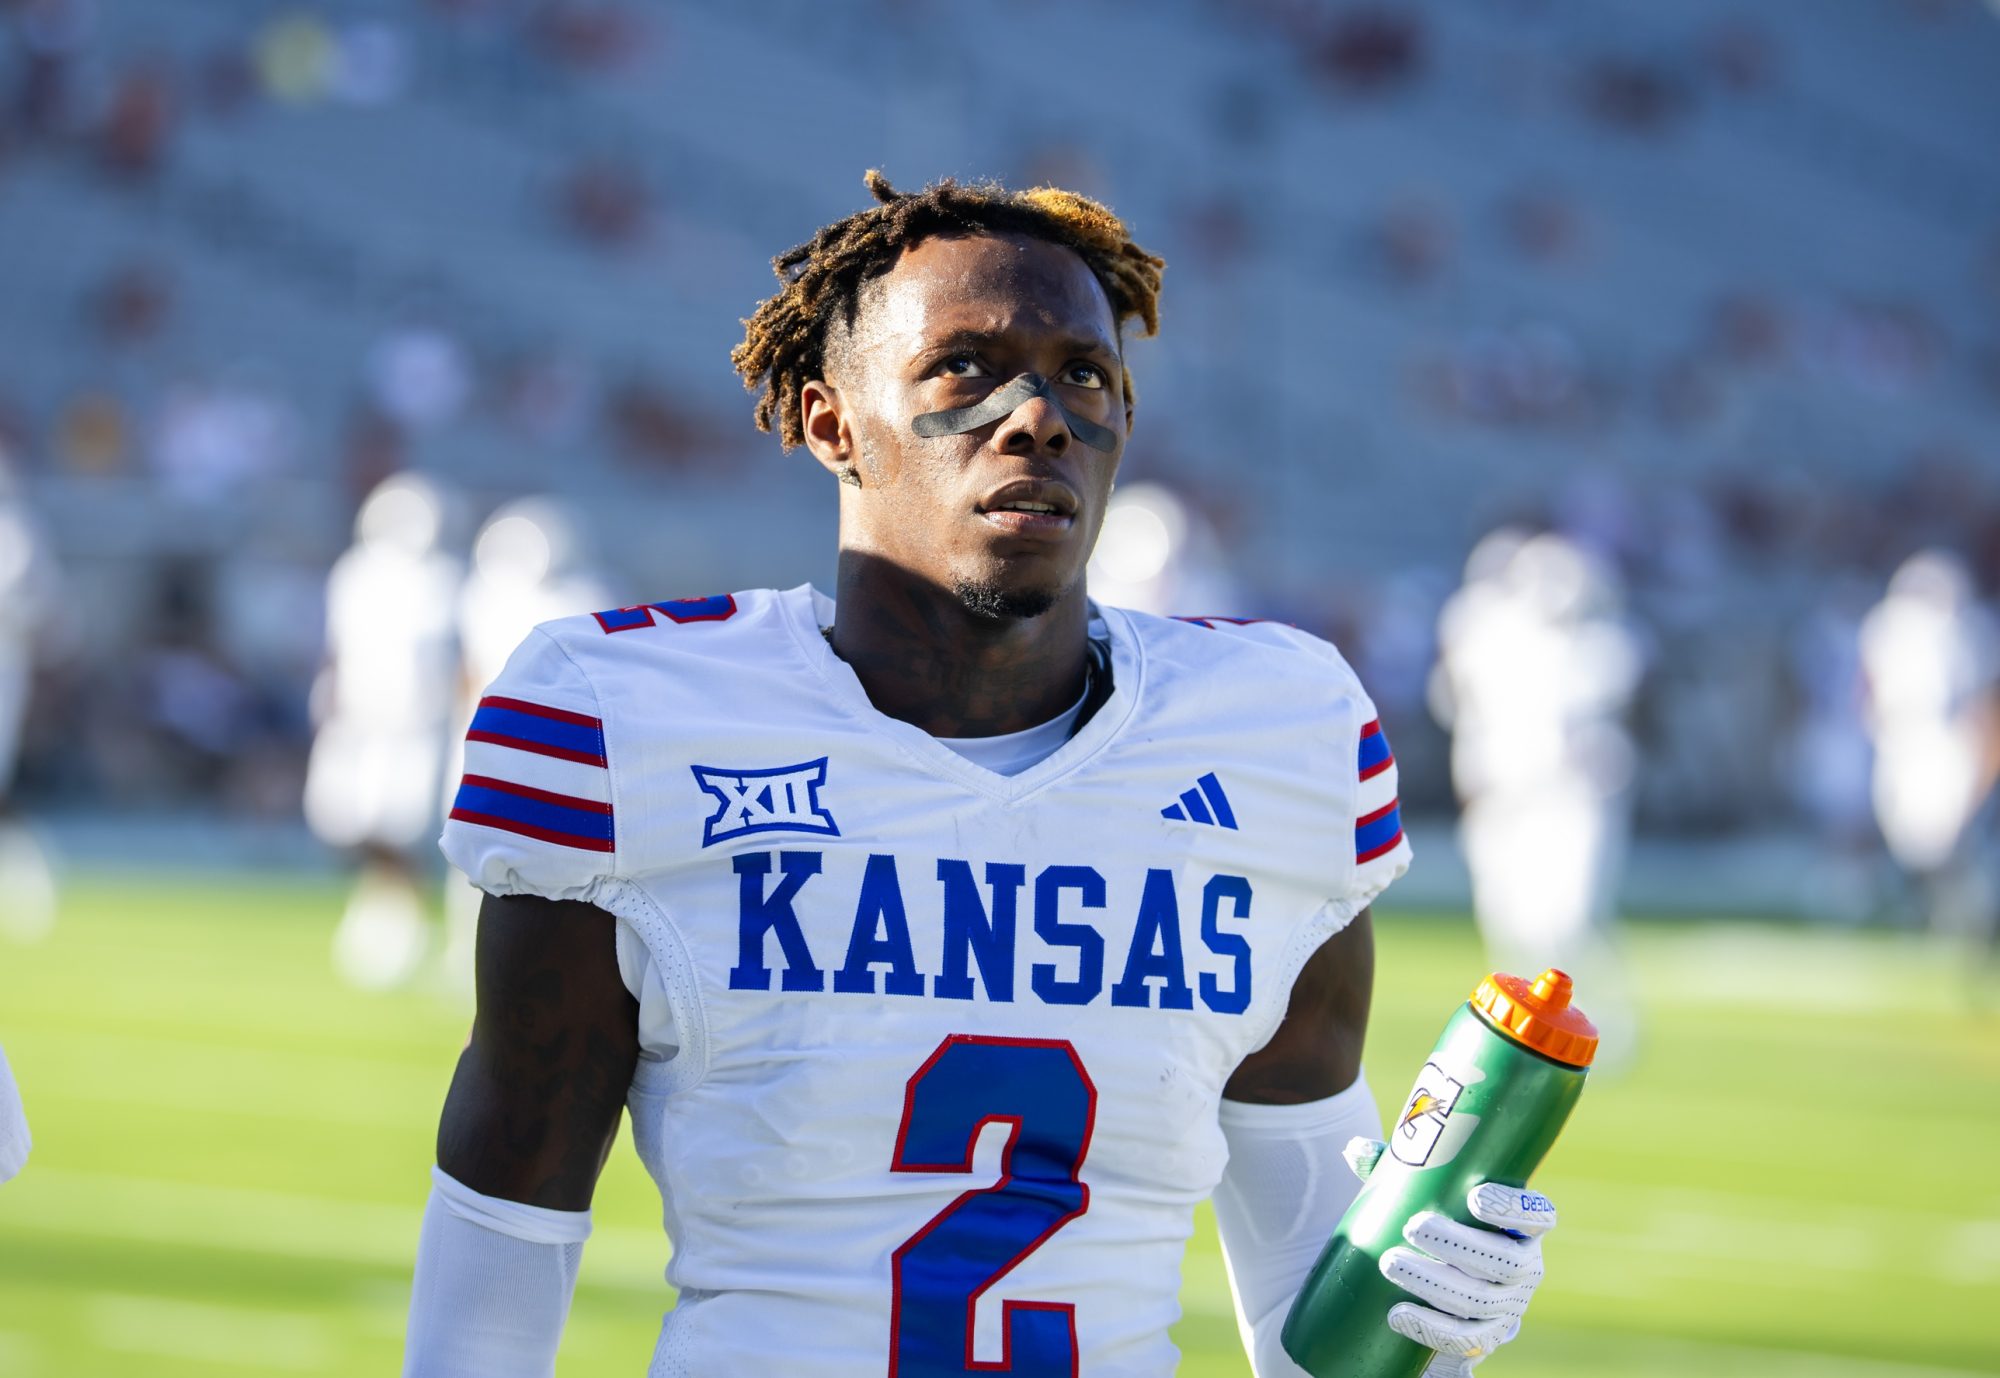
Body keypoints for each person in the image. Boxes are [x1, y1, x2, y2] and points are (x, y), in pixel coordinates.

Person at [404, 173, 1561, 1378]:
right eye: (964, 368)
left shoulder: (1277, 734)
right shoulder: (630, 721)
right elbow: (508, 1224)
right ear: (828, 423)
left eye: (1084, 375)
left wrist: (1408, 1316)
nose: (1040, 416)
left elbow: (1299, 1273)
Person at [1431, 529, 1642, 1062]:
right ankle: (1525, 1029)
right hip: (1507, 798)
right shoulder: (1493, 642)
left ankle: (1602, 1020)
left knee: (1569, 917)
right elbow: (1460, 708)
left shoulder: (1602, 649)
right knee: (1511, 921)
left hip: (1568, 800)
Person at [438, 498, 611, 988]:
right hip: (490, 736)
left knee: (556, 865)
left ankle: (545, 957)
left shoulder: (586, 593)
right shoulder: (483, 596)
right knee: (471, 853)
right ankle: (464, 953)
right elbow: (468, 670)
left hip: (559, 749)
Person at [304, 473, 464, 989]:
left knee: (403, 823)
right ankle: (378, 901)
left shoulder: (442, 580)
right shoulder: (354, 574)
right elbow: (338, 649)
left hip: (415, 726)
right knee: (348, 819)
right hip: (359, 719)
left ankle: (402, 917)